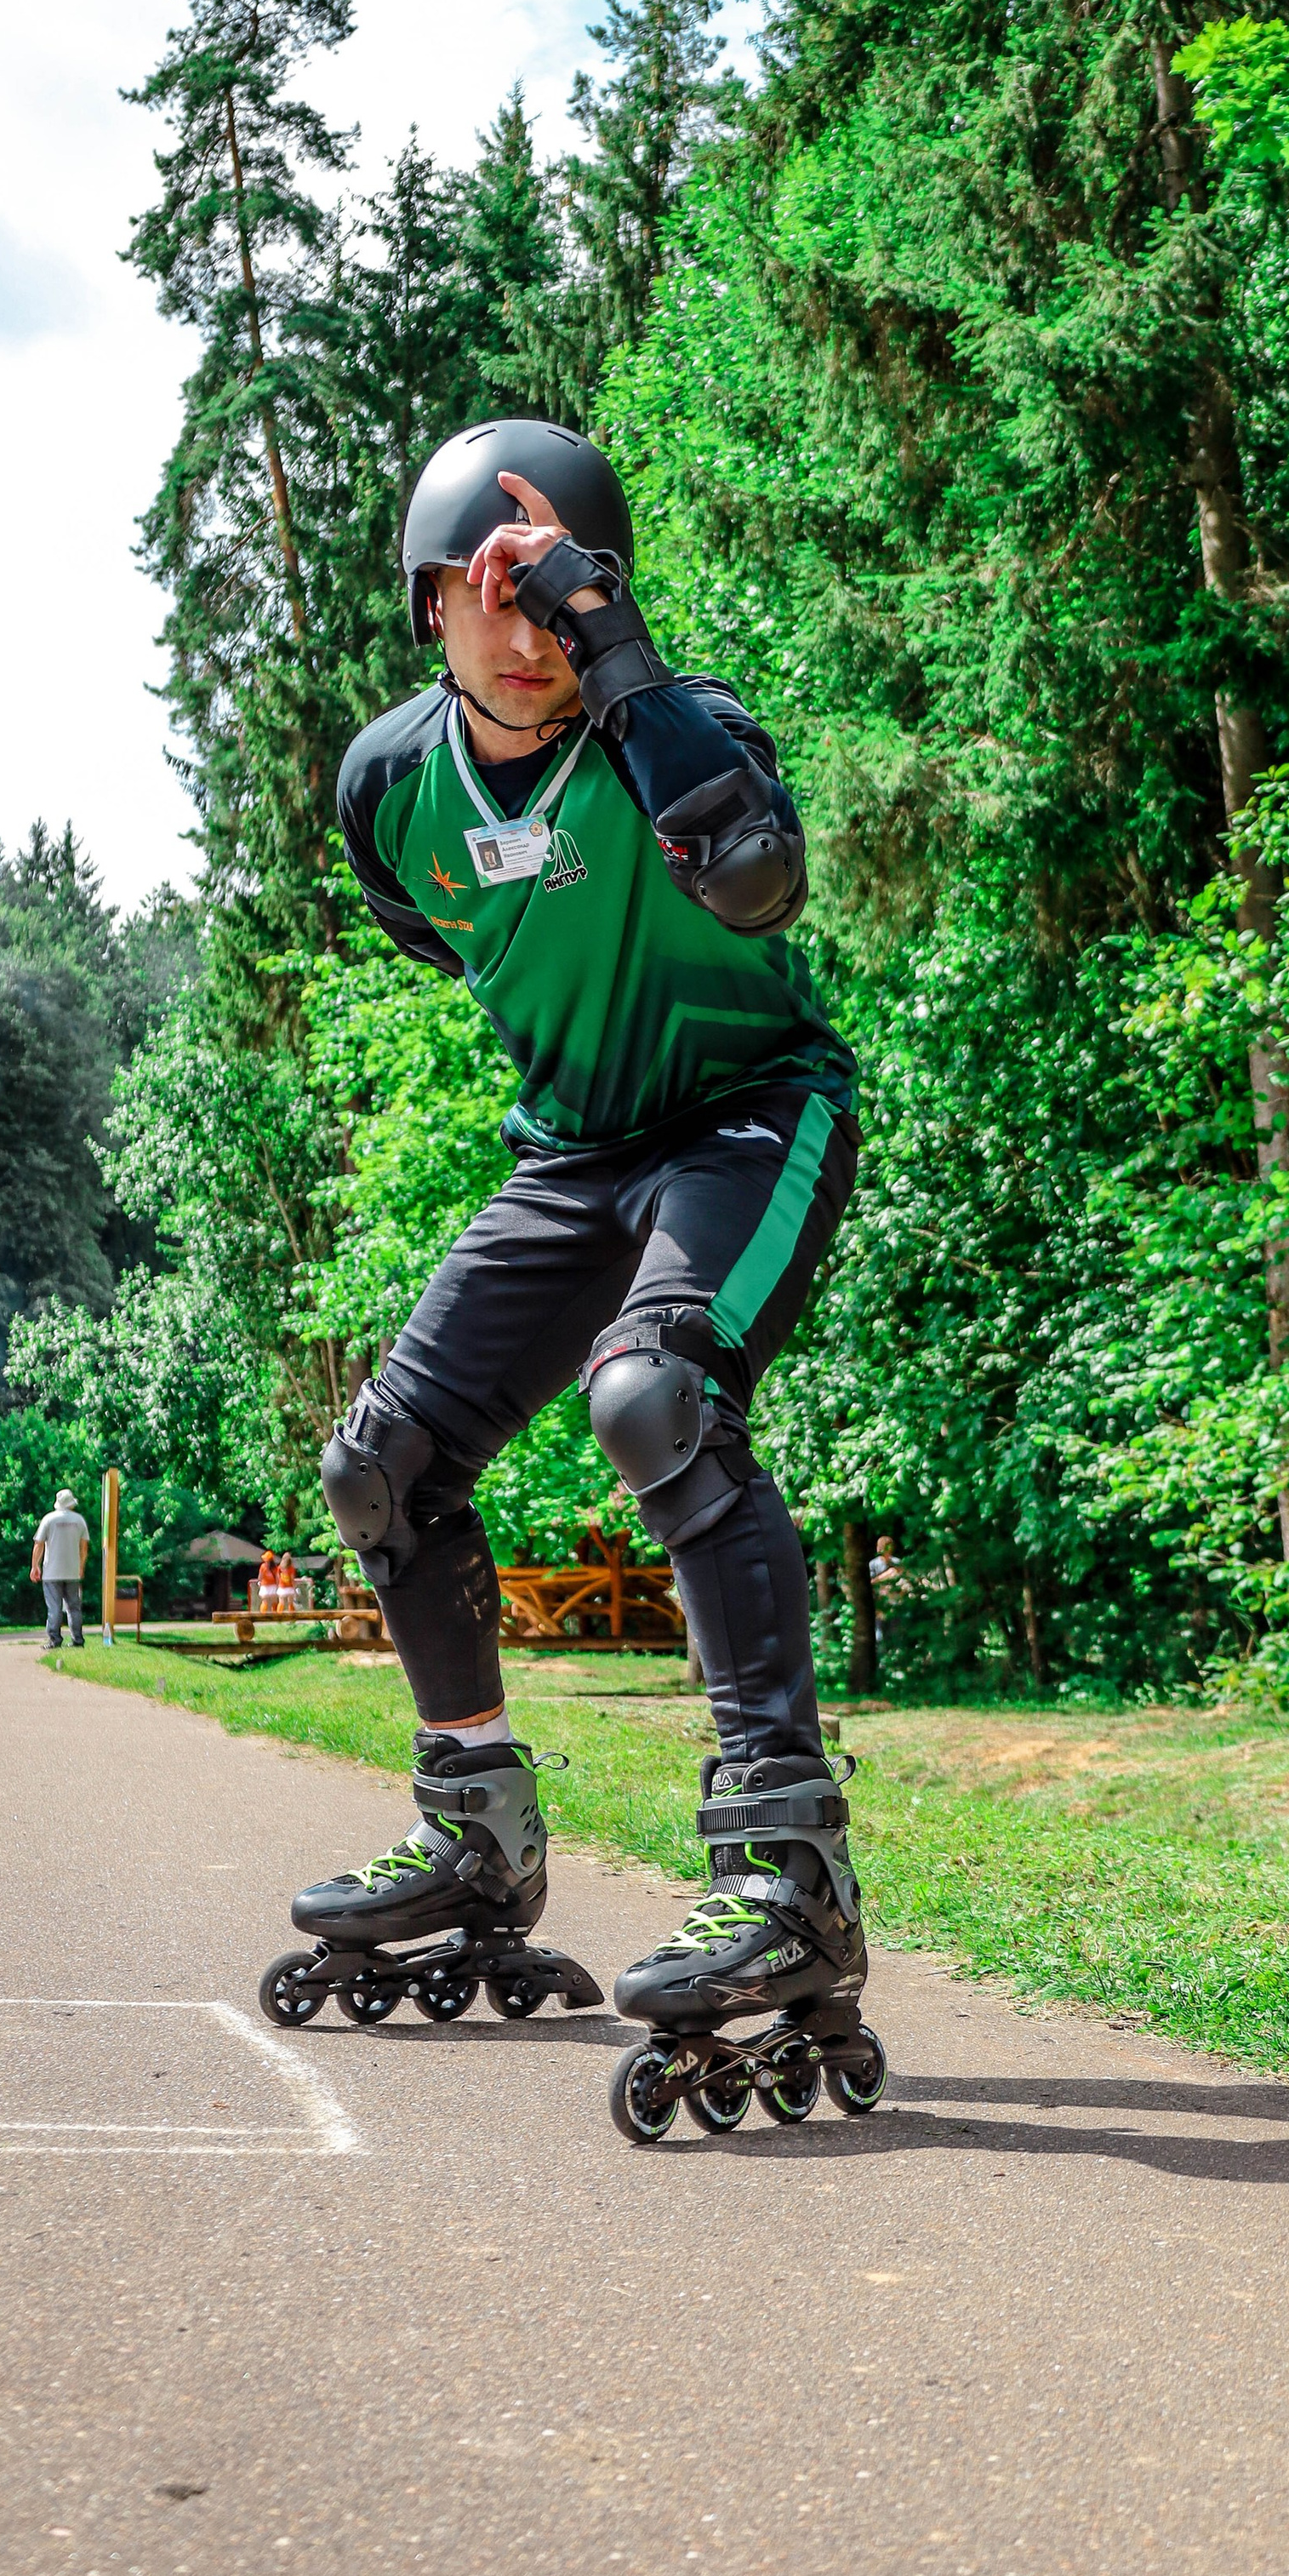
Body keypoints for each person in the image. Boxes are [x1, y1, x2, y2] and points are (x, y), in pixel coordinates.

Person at [289, 415, 870, 2063]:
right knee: (379, 1470)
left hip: (751, 1114)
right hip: (571, 1155)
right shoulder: (389, 784)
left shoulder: (669, 728)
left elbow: (755, 883)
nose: (528, 633)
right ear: (428, 605)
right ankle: (475, 1829)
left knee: (653, 1398)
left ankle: (785, 1870)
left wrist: (615, 646)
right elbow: (445, 919)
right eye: (494, 594)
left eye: (559, 598)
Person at [31, 1488, 89, 1650]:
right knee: (74, 1607)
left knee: (54, 1608)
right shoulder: (79, 1521)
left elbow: (39, 1544)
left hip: (51, 1572)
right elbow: (84, 1547)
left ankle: (55, 1639)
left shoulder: (49, 1519)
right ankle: (77, 1640)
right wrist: (81, 1566)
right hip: (72, 1571)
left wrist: (35, 1566)